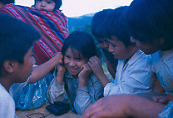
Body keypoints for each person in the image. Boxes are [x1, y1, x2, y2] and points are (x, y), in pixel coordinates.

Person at [81, 0, 173, 117]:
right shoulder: (155, 54)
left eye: (137, 36)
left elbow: (125, 97)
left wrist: (129, 103)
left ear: (159, 36)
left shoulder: (145, 59)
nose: (132, 40)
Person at [0, 0, 68, 110]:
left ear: (56, 5)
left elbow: (32, 76)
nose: (42, 4)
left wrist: (55, 59)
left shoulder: (59, 20)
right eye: (32, 55)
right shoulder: (4, 101)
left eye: (48, 2)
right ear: (9, 64)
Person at [89, 6, 156, 96]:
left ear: (133, 42)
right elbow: (118, 82)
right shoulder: (124, 56)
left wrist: (100, 74)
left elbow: (120, 97)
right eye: (102, 42)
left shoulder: (141, 66)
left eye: (113, 45)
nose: (109, 49)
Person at [47, 30, 104, 115]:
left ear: (89, 59)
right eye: (68, 57)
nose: (71, 64)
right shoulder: (63, 70)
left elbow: (84, 112)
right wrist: (60, 74)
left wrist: (82, 81)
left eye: (78, 59)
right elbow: (54, 101)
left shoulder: (95, 79)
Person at [91, 9, 117, 78]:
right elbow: (109, 64)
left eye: (107, 40)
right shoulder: (105, 50)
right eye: (101, 42)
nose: (105, 45)